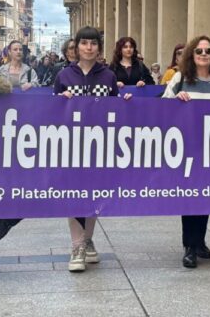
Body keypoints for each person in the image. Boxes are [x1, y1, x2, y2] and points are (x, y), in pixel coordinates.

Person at [53, 26, 132, 272]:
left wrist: (124, 103)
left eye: (93, 43)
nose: (89, 47)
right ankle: (76, 245)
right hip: (71, 144)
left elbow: (114, 108)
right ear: (76, 47)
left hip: (99, 146)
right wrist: (60, 100)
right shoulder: (64, 75)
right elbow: (51, 112)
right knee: (73, 195)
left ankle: (87, 240)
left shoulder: (107, 76)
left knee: (93, 195)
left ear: (99, 48)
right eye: (84, 43)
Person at [162, 36, 210, 269]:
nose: (204, 54)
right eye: (199, 51)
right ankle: (189, 246)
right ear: (191, 55)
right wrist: (176, 98)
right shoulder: (180, 78)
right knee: (189, 197)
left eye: (208, 51)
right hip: (187, 147)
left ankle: (200, 240)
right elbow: (161, 107)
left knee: (205, 195)